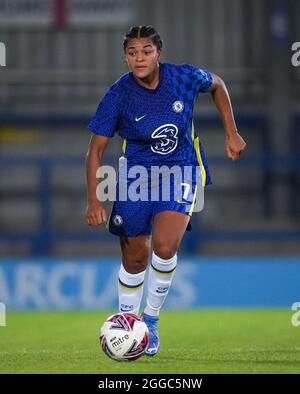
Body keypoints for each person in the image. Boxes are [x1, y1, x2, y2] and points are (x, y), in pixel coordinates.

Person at [86, 25, 246, 356]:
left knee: (164, 245)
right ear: (125, 56)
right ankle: (128, 324)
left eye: (146, 51)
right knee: (134, 257)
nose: (139, 58)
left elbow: (217, 84)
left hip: (182, 169)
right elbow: (95, 151)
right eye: (132, 53)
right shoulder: (119, 94)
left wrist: (232, 132)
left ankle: (152, 321)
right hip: (135, 177)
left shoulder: (184, 77)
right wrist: (94, 200)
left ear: (159, 53)